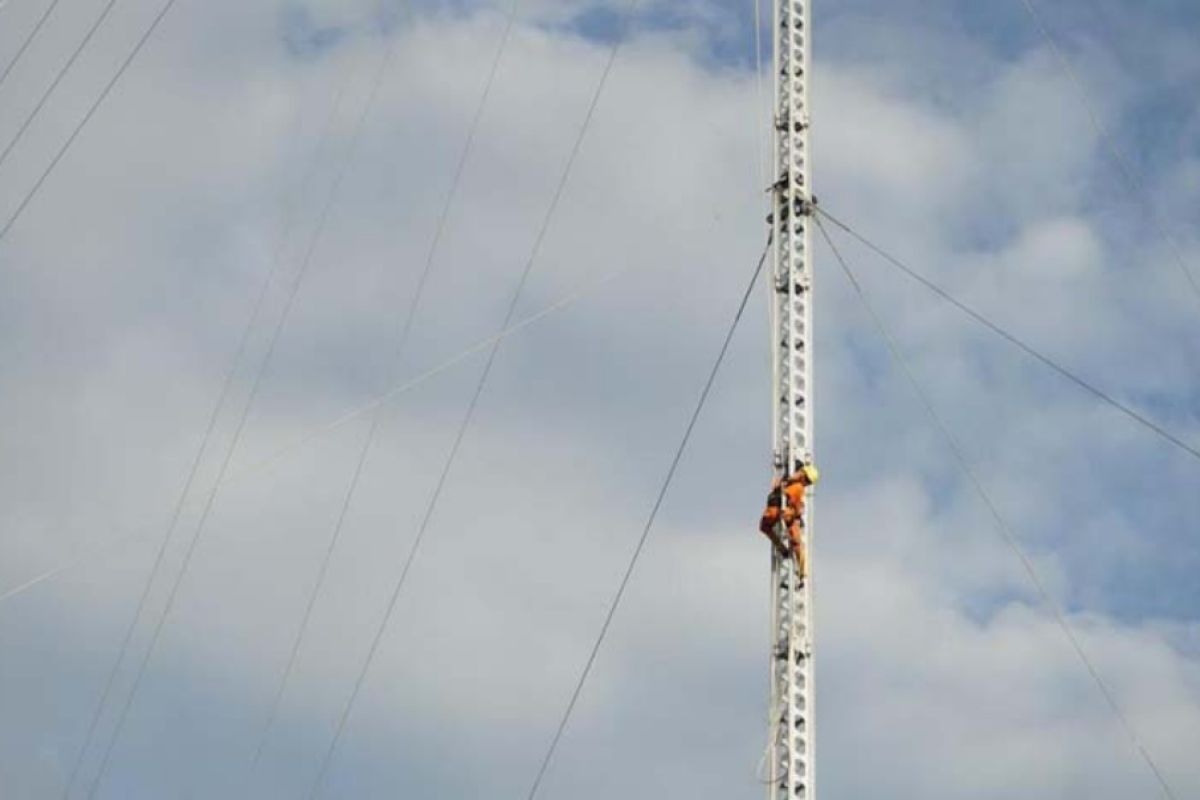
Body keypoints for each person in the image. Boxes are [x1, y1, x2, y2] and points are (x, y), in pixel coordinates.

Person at [758, 464, 819, 579]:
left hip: (782, 512)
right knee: (794, 540)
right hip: (781, 511)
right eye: (807, 480)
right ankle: (799, 567)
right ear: (802, 473)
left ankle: (801, 569)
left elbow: (792, 502)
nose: (806, 483)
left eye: (808, 482)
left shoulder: (795, 484)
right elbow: (793, 504)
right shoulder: (795, 484)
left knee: (795, 541)